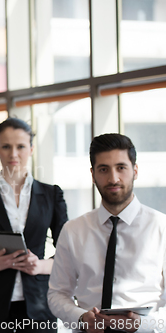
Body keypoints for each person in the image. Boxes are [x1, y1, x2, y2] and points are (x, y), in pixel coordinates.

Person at [48, 133, 166, 333]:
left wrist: (142, 325)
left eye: (121, 167)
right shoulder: (73, 230)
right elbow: (57, 294)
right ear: (93, 174)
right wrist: (81, 318)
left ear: (135, 171)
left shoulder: (161, 227)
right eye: (104, 169)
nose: (113, 178)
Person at [0, 118, 68, 333]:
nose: (13, 154)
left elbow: (68, 252)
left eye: (21, 147)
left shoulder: (51, 194)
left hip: (39, 306)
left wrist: (41, 266)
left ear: (32, 149)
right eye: (6, 146)